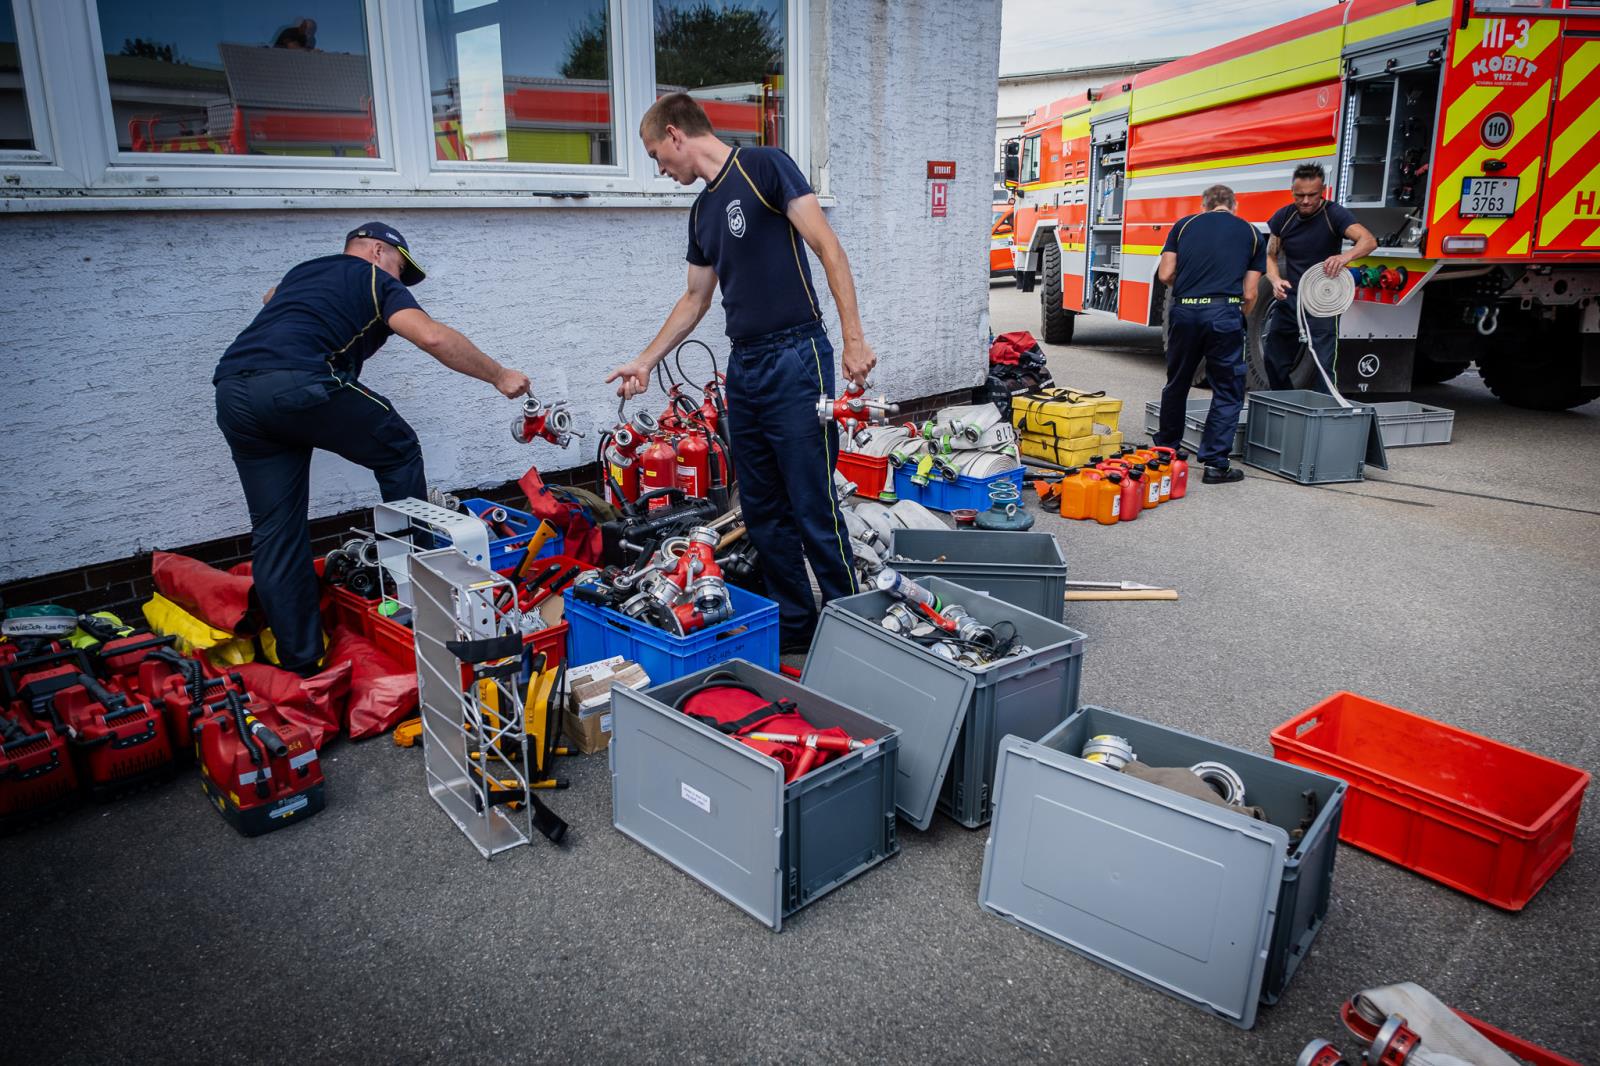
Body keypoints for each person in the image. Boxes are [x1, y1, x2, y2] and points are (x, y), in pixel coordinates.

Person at [605, 93, 876, 655]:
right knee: (761, 508)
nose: (660, 169)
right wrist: (645, 360)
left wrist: (853, 338)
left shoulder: (764, 166)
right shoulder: (701, 212)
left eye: (656, 155)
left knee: (812, 503)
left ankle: (855, 631)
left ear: (675, 134)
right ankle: (797, 625)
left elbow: (828, 247)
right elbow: (695, 298)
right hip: (744, 365)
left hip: (796, 354)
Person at [214, 223, 530, 676]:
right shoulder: (373, 277)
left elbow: (271, 297)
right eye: (400, 269)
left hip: (234, 391)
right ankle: (420, 595)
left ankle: (302, 665)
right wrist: (500, 376)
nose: (400, 281)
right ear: (378, 251)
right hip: (300, 381)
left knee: (276, 531)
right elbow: (432, 336)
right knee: (399, 450)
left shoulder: (304, 272)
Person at [1154, 184, 1266, 485]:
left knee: (1177, 382)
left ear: (1203, 206)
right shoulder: (1252, 233)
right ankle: (1216, 464)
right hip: (1224, 314)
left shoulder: (1183, 226)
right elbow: (1250, 293)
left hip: (1185, 311)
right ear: (1234, 205)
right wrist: (1233, 314)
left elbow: (1165, 274)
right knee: (1227, 389)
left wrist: (1192, 289)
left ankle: (1166, 451)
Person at [1262, 163, 1377, 392]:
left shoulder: (1334, 214)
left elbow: (1369, 241)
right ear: (1292, 191)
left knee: (1323, 365)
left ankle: (1322, 407)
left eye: (1312, 195)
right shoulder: (1284, 217)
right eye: (1299, 195)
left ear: (1323, 190)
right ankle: (1285, 401)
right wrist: (1275, 280)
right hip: (1291, 299)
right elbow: (1270, 255)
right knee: (1274, 359)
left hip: (1323, 301)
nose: (1305, 201)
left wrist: (1344, 257)